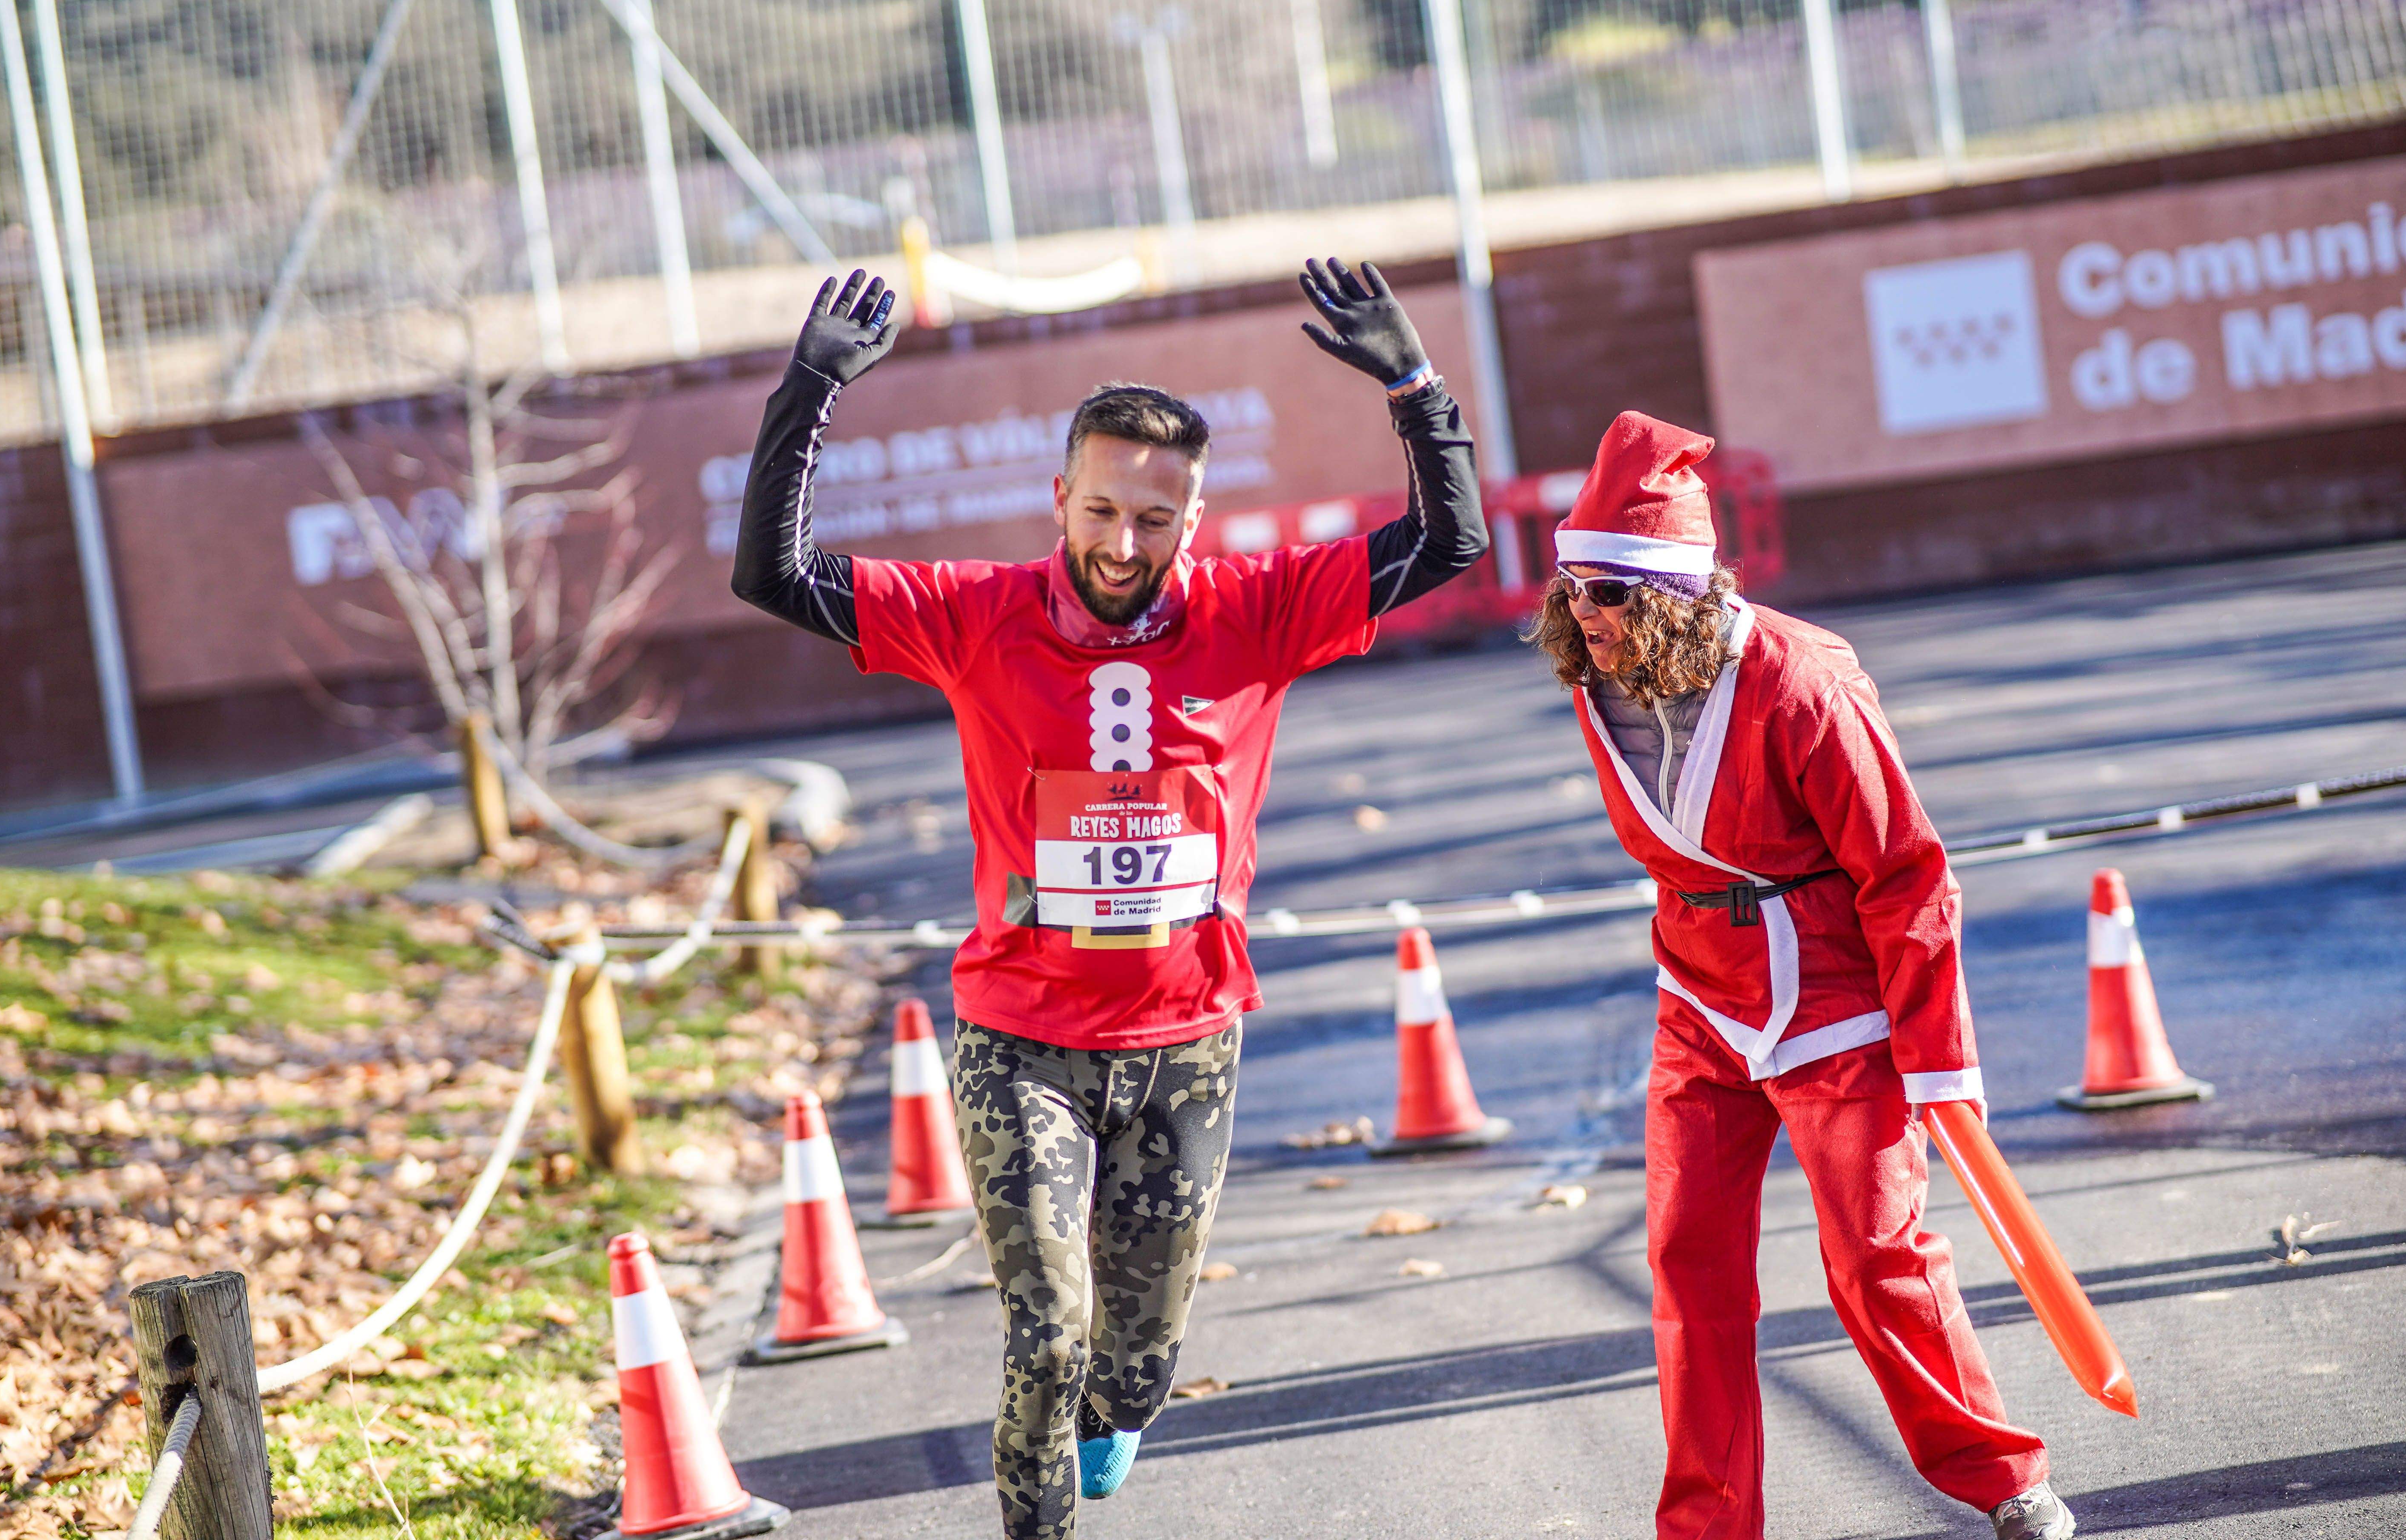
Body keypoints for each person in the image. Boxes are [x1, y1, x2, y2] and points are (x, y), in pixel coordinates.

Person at [731, 260, 1486, 1540]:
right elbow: (775, 574)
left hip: (1186, 1044)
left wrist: (1414, 386)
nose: (1122, 546)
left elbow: (1449, 542)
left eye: (1154, 519)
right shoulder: (978, 616)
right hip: (1019, 1038)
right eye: (1101, 512)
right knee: (1049, 1328)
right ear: (1061, 501)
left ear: (1193, 520)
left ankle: (1119, 1410)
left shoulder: (1259, 611)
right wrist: (810, 391)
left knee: (1132, 1359)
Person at [1529, 411, 2077, 1540]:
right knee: (1688, 1273)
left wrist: (1934, 1064)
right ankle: (1706, 1527)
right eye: (1574, 587)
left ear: (1679, 594)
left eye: (1614, 593)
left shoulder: (1796, 682)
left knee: (1878, 1260)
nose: (1587, 613)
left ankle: (2003, 1481)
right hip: (1697, 997)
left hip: (1832, 1001)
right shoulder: (1597, 671)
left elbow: (1909, 871)